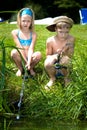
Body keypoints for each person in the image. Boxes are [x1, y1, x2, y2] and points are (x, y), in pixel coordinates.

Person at [44, 16, 75, 89]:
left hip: (65, 65)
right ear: (55, 29)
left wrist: (64, 53)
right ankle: (52, 78)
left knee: (65, 60)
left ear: (69, 30)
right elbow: (48, 55)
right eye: (60, 32)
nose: (63, 35)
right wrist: (54, 56)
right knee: (48, 62)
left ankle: (66, 78)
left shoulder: (71, 39)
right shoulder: (50, 40)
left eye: (66, 32)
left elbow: (70, 55)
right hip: (54, 66)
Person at [11, 7, 42, 77]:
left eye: (28, 21)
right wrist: (25, 61)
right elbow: (20, 47)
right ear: (19, 20)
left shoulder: (33, 34)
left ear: (31, 22)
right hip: (20, 56)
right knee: (13, 52)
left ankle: (30, 68)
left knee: (38, 54)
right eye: (23, 21)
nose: (26, 23)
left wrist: (29, 61)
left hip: (29, 56)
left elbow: (31, 49)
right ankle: (20, 68)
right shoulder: (15, 32)